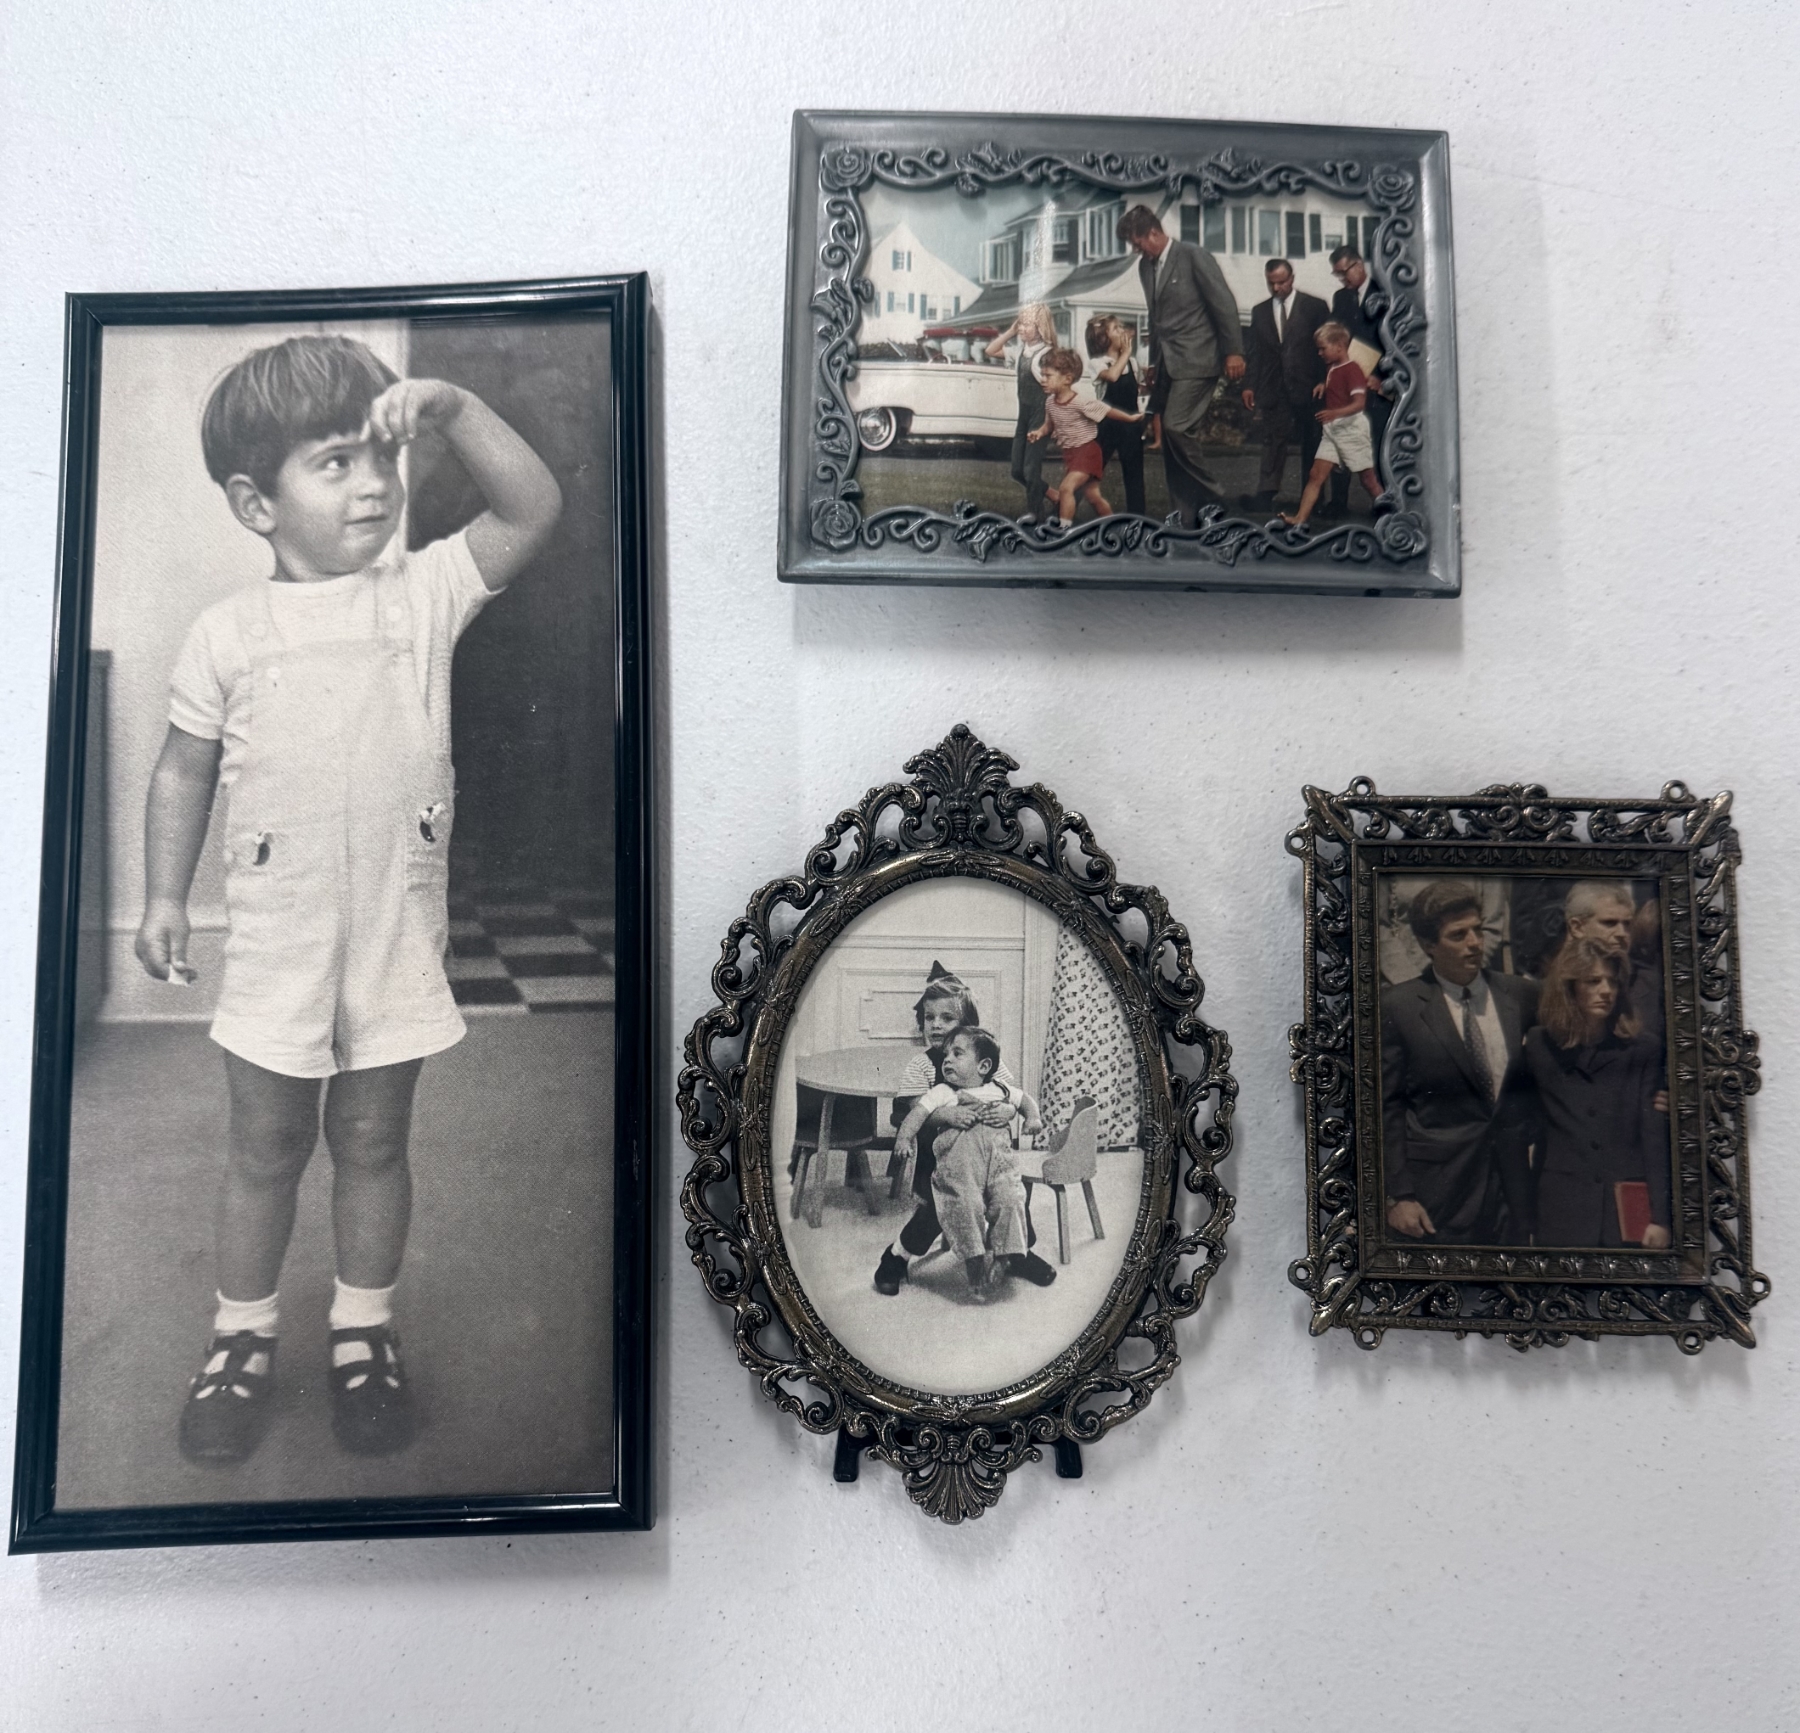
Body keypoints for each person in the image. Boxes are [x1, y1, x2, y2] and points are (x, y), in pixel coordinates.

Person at [137, 334, 563, 1463]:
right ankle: (240, 1334)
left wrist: (454, 410)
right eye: (335, 463)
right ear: (255, 503)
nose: (374, 483)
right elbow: (182, 769)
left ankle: (363, 1328)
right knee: (264, 1140)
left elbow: (532, 509)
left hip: (391, 929)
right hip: (277, 938)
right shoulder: (228, 632)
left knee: (374, 1136)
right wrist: (164, 896)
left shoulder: (423, 593)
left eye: (382, 457)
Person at [872, 964, 1056, 1295]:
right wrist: (946, 1115)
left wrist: (1006, 1109)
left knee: (1013, 1198)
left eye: (947, 1018)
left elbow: (1010, 1095)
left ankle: (1017, 1253)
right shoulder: (922, 1065)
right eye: (929, 1018)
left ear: (966, 1025)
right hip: (944, 1163)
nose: (935, 1025)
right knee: (938, 1210)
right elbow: (908, 1112)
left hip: (992, 1160)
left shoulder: (986, 1058)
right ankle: (896, 1257)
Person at [1380, 879, 1538, 1245]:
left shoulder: (1520, 994)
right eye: (1458, 935)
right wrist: (1398, 1196)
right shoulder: (1400, 1007)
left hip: (1511, 1194)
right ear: (1428, 945)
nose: (1475, 943)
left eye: (1478, 930)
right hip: (1437, 1195)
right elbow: (1386, 1108)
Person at [1518, 941, 1672, 1248]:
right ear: (1569, 987)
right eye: (1593, 981)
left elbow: (1653, 1138)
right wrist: (1524, 1217)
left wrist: (1660, 1217)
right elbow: (1515, 1130)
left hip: (1625, 1211)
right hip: (1561, 1210)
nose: (1606, 991)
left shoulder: (1642, 1049)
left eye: (1612, 982)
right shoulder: (1539, 1046)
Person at [1117, 204, 1244, 527]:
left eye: (1137, 243)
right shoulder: (1145, 267)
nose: (1136, 250)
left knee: (1174, 427)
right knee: (1172, 449)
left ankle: (1218, 497)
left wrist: (1233, 352)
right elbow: (1155, 319)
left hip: (1199, 359)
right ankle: (1184, 518)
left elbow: (1224, 305)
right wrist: (1153, 363)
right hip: (1166, 364)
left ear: (1154, 233)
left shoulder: (1193, 256)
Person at [892, 1029, 1042, 1298]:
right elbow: (917, 1114)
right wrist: (904, 1138)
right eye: (946, 1055)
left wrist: (1033, 1118)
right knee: (964, 1206)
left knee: (1012, 1199)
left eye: (957, 1054)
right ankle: (973, 1259)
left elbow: (1025, 1100)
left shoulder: (1000, 1089)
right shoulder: (943, 1092)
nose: (947, 1060)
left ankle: (1004, 1256)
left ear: (983, 1066)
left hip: (1000, 1166)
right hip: (961, 1170)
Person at [1241, 258, 1329, 511]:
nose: (1276, 288)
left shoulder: (1315, 307)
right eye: (1271, 283)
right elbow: (1255, 353)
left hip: (1310, 387)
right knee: (1272, 441)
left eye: (1281, 282)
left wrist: (1324, 379)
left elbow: (1328, 347)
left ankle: (1313, 499)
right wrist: (1249, 385)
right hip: (1274, 388)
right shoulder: (1259, 311)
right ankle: (1266, 494)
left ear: (1292, 278)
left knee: (1312, 443)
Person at [1026, 347, 1146, 523]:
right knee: (1093, 497)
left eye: (1048, 376)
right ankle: (1111, 525)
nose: (1042, 380)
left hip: (1088, 452)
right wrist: (1039, 432)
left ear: (1067, 379)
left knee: (1066, 489)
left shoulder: (1079, 402)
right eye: (1042, 375)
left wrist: (1130, 418)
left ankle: (1063, 528)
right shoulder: (1050, 402)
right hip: (1071, 454)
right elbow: (1049, 425)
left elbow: (1106, 410)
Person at [1282, 323, 1382, 528]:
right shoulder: (1332, 369)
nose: (1319, 353)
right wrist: (1324, 385)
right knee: (1315, 475)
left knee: (1368, 480)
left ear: (1339, 346)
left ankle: (1393, 513)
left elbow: (1359, 404)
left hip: (1351, 429)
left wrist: (1335, 413)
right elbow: (1336, 385)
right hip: (1332, 430)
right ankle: (1300, 518)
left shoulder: (1353, 370)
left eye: (1323, 348)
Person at [1325, 245, 1391, 517]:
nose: (1342, 279)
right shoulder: (1341, 298)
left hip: (1377, 383)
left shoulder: (1385, 292)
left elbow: (1394, 342)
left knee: (1377, 444)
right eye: (1337, 274)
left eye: (1344, 272)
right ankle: (1338, 503)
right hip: (1348, 381)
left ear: (1359, 265)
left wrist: (1383, 379)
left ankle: (1385, 504)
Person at [988, 303, 1058, 522]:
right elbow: (990, 350)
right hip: (1024, 417)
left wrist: (1050, 423)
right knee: (1017, 470)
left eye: (1027, 324)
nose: (1022, 328)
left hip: (1041, 416)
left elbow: (1055, 391)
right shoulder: (1020, 352)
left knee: (1030, 470)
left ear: (1041, 327)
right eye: (1021, 324)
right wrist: (1010, 331)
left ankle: (1036, 514)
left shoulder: (1047, 354)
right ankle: (1056, 496)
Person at [1084, 314, 1147, 516]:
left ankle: (1138, 519)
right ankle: (1062, 510)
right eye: (1116, 329)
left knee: (1134, 474)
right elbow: (1112, 376)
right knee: (1088, 471)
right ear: (1104, 338)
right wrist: (1126, 353)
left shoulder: (1132, 363)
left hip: (1131, 426)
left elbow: (1139, 388)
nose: (1122, 331)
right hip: (1107, 425)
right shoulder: (1098, 363)